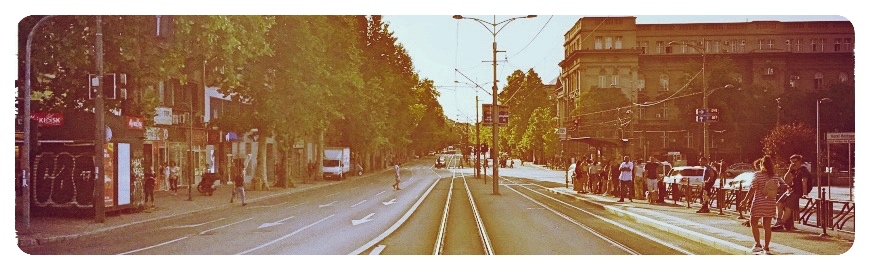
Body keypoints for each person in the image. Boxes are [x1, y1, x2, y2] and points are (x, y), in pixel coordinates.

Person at [740, 155, 780, 255]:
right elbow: (776, 188)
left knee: (753, 222)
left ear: (762, 164)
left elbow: (753, 188)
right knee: (767, 225)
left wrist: (745, 200)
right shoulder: (775, 176)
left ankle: (757, 245)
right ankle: (766, 247)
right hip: (770, 202)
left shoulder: (757, 175)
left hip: (758, 202)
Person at [773, 154, 813, 231]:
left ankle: (781, 224)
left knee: (788, 207)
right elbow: (786, 179)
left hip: (798, 191)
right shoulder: (794, 170)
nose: (793, 163)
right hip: (791, 190)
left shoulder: (804, 170)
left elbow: (804, 182)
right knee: (778, 203)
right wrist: (789, 170)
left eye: (795, 161)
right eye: (791, 162)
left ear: (799, 161)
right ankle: (778, 221)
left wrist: (805, 194)